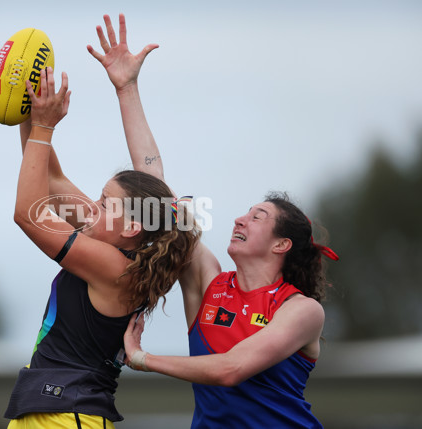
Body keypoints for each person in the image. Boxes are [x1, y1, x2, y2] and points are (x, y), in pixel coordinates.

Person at [89, 13, 339, 428]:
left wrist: (144, 360)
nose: (240, 218)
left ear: (282, 244)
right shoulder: (209, 283)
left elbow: (230, 369)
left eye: (257, 216)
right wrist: (127, 88)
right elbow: (155, 194)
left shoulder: (302, 310)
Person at [3, 64, 201, 428]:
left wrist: (45, 127)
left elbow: (28, 216)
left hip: (67, 415)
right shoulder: (113, 244)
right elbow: (50, 176)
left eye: (105, 202)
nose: (92, 208)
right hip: (58, 412)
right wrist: (29, 107)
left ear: (132, 226)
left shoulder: (115, 266)